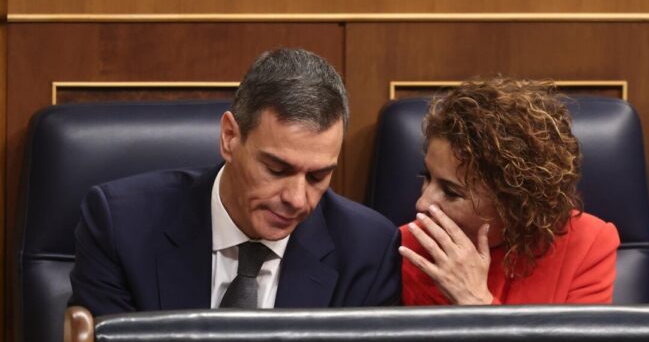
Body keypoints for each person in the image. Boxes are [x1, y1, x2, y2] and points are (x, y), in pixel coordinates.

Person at [70, 48, 401, 316]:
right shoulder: (122, 226)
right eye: (276, 169)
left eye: (318, 176)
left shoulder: (368, 251)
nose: (298, 199)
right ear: (230, 137)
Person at [399, 78, 619, 305]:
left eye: (451, 192)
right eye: (427, 177)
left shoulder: (587, 245)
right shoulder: (403, 249)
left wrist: (475, 301)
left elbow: (577, 341)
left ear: (513, 202)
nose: (422, 204)